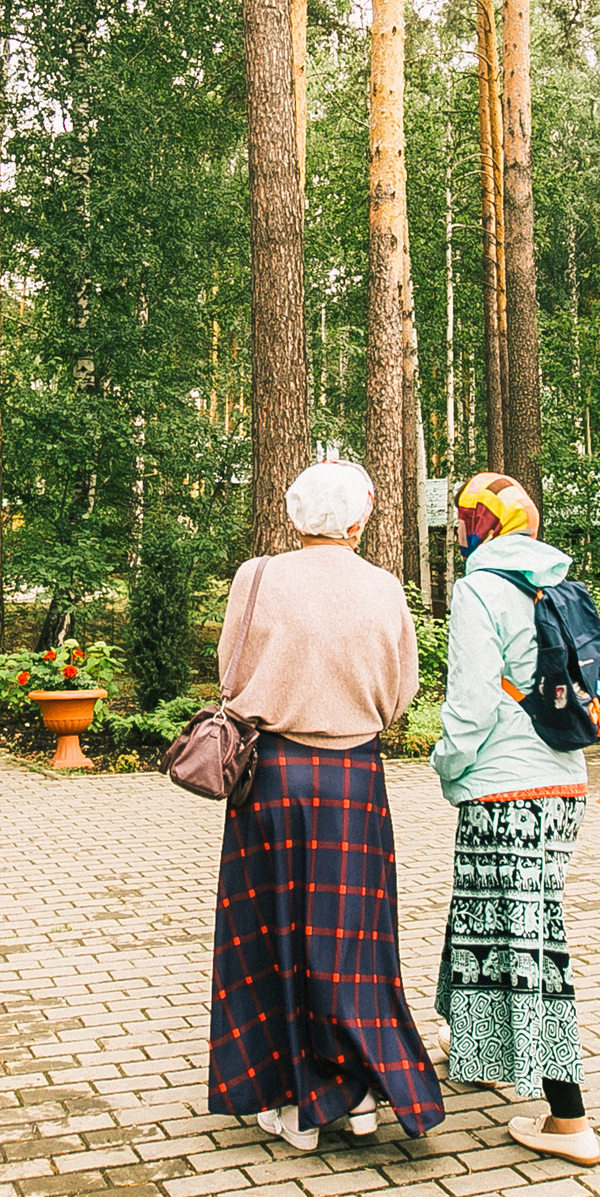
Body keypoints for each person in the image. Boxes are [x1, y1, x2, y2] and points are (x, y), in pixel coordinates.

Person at [210, 460, 442, 1153]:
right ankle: (361, 1092)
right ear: (360, 519)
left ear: (293, 516)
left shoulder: (257, 577)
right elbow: (402, 693)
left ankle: (290, 1102)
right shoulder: (384, 588)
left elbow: (229, 674)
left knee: (272, 936)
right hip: (355, 777)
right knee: (353, 941)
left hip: (272, 774)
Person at [432, 471, 600, 1166]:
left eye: (466, 521)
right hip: (563, 785)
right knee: (482, 915)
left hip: (503, 790)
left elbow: (471, 703)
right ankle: (474, 1045)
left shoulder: (479, 590)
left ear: (484, 526)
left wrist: (445, 764)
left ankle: (569, 1116)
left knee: (533, 942)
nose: (462, 532)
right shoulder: (561, 586)